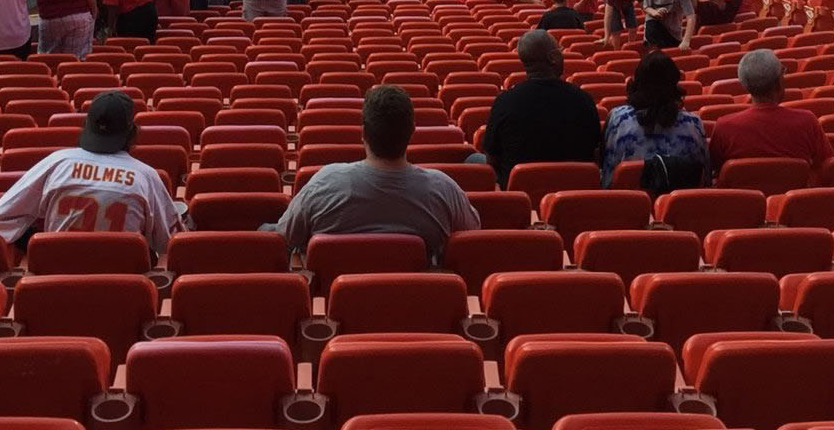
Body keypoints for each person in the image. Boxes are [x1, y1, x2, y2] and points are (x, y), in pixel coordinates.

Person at [271, 86, 479, 261]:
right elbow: (471, 235)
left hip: (342, 305)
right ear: (412, 132)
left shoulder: (324, 183)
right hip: (416, 304)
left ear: (363, 134)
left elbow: (285, 238)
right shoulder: (443, 189)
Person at [0, 91, 185, 252]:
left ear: (87, 126)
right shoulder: (146, 176)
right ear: (131, 132)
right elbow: (169, 242)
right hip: (123, 287)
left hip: (54, 281)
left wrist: (37, 244)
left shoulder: (57, 163)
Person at [480, 31, 601, 185]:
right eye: (560, 50)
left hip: (521, 195)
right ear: (553, 58)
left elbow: (491, 159)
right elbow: (595, 153)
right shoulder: (584, 99)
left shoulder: (504, 101)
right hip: (574, 191)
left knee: (473, 159)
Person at [708, 50, 831, 175]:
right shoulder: (807, 121)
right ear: (778, 82)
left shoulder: (724, 127)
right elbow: (827, 167)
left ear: (745, 85)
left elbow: (713, 172)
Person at [600, 51, 709, 189]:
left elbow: (607, 176)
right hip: (683, 208)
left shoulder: (618, 120)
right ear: (674, 85)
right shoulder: (694, 124)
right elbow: (704, 180)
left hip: (627, 207)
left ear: (638, 82)